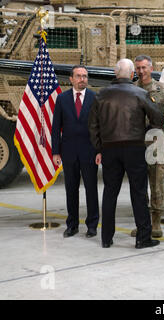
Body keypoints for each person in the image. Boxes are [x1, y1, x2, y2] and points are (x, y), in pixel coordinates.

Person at [88, 58, 164, 249]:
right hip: (135, 148)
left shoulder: (101, 95)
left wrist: (100, 147)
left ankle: (106, 238)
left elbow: (92, 125)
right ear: (132, 74)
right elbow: (158, 118)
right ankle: (143, 238)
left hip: (109, 149)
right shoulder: (140, 93)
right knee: (138, 192)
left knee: (109, 192)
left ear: (115, 73)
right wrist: (146, 134)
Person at [130, 55, 164, 239]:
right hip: (136, 145)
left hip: (158, 144)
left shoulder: (163, 90)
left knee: (157, 185)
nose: (141, 71)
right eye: (138, 68)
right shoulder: (131, 89)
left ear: (152, 68)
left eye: (144, 67)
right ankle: (143, 224)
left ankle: (156, 223)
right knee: (138, 186)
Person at [51, 65, 99, 238]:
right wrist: (55, 152)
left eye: (85, 76)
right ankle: (72, 225)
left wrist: (100, 150)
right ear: (71, 79)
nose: (82, 79)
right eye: (78, 76)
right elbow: (56, 127)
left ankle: (92, 225)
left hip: (90, 152)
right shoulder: (62, 99)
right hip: (69, 152)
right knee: (71, 190)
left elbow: (99, 127)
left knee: (91, 190)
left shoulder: (95, 98)